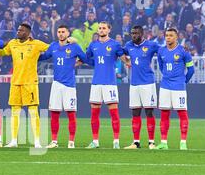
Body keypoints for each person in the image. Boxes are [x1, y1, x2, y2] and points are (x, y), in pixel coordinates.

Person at [0, 23, 49, 148]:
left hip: (30, 82)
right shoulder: (12, 43)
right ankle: (14, 140)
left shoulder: (36, 44)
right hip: (15, 82)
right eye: (18, 30)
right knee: (15, 111)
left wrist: (67, 43)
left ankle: (37, 141)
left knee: (33, 111)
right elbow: (3, 52)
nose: (18, 32)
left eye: (21, 31)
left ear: (28, 33)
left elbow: (51, 48)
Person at [38, 25, 88, 148]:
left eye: (63, 32)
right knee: (54, 113)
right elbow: (43, 57)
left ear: (68, 33)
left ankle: (71, 142)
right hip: (56, 84)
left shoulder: (74, 47)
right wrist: (32, 52)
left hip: (69, 86)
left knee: (71, 113)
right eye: (59, 32)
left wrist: (76, 63)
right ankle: (54, 141)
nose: (60, 34)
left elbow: (85, 58)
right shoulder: (53, 46)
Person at [85, 21, 126, 149]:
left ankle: (116, 141)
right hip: (96, 82)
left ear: (109, 30)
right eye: (99, 28)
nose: (101, 30)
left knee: (114, 113)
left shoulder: (115, 44)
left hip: (110, 83)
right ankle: (95, 141)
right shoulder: (93, 45)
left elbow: (124, 58)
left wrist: (130, 63)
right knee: (94, 114)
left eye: (103, 28)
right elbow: (87, 59)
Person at [156, 28, 195, 150]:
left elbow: (191, 70)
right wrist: (168, 77)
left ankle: (183, 142)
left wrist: (183, 81)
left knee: (182, 113)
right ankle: (163, 142)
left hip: (178, 87)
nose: (168, 37)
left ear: (176, 37)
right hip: (165, 86)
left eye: (171, 35)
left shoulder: (183, 51)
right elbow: (161, 67)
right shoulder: (161, 50)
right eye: (166, 35)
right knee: (164, 113)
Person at [122, 25, 160, 149]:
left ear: (142, 34)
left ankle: (151, 142)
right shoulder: (128, 45)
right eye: (132, 33)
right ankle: (136, 142)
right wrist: (126, 61)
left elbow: (164, 51)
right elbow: (118, 52)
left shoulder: (151, 45)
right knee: (135, 112)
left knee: (149, 112)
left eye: (136, 33)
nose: (133, 35)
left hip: (148, 83)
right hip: (134, 84)